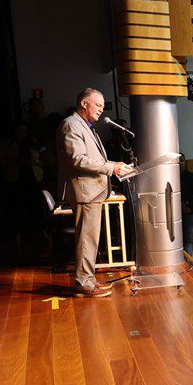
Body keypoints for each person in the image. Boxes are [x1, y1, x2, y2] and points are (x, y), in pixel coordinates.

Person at [56, 88, 134, 297]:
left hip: (92, 192)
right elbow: (78, 159)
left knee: (90, 239)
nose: (101, 109)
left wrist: (115, 166)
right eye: (97, 105)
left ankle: (87, 280)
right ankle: (83, 283)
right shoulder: (71, 125)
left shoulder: (86, 126)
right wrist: (112, 168)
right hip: (84, 192)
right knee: (87, 239)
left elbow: (93, 159)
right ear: (84, 104)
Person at [180, 155, 193, 257]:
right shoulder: (171, 176)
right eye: (178, 161)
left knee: (188, 239)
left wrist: (186, 204)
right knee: (177, 240)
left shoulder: (191, 176)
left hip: (189, 210)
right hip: (176, 211)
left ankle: (188, 263)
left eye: (182, 160)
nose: (180, 163)